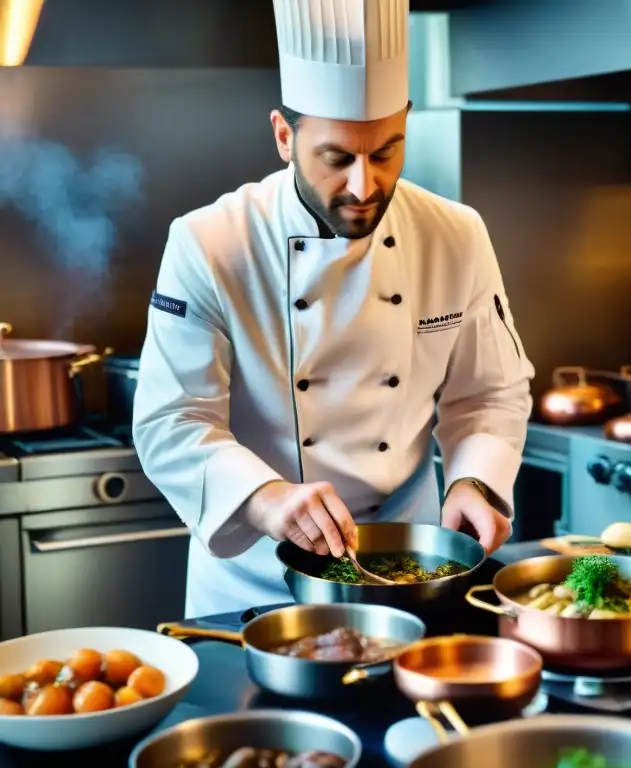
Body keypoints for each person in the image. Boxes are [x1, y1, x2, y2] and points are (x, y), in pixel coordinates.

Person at [133, 0, 534, 618]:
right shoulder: (210, 242)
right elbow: (172, 420)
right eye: (338, 158)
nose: (364, 185)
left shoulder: (456, 234)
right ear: (284, 136)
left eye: (386, 153)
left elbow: (489, 394)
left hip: (412, 573)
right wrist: (267, 499)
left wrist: (473, 481)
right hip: (253, 588)